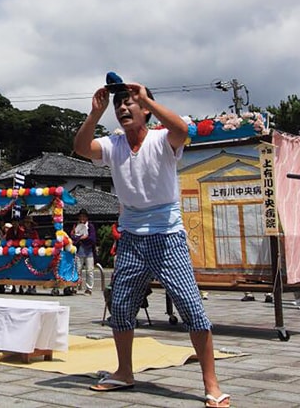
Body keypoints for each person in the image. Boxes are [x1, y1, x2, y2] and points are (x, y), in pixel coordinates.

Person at [74, 80, 228, 407]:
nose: (122, 109)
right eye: (119, 105)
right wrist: (95, 113)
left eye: (129, 103)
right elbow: (81, 149)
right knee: (121, 307)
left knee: (191, 307)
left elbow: (183, 129)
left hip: (168, 235)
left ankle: (211, 384)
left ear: (145, 108)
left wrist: (147, 98)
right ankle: (124, 372)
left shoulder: (162, 139)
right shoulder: (114, 144)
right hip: (131, 236)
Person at [70, 209, 97, 295]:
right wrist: (80, 238)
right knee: (77, 269)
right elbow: (73, 238)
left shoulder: (90, 226)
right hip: (79, 250)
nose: (82, 218)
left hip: (89, 251)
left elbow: (93, 239)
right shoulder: (76, 226)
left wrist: (83, 238)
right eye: (81, 216)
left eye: (84, 216)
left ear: (87, 218)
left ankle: (89, 288)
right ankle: (74, 286)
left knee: (89, 270)